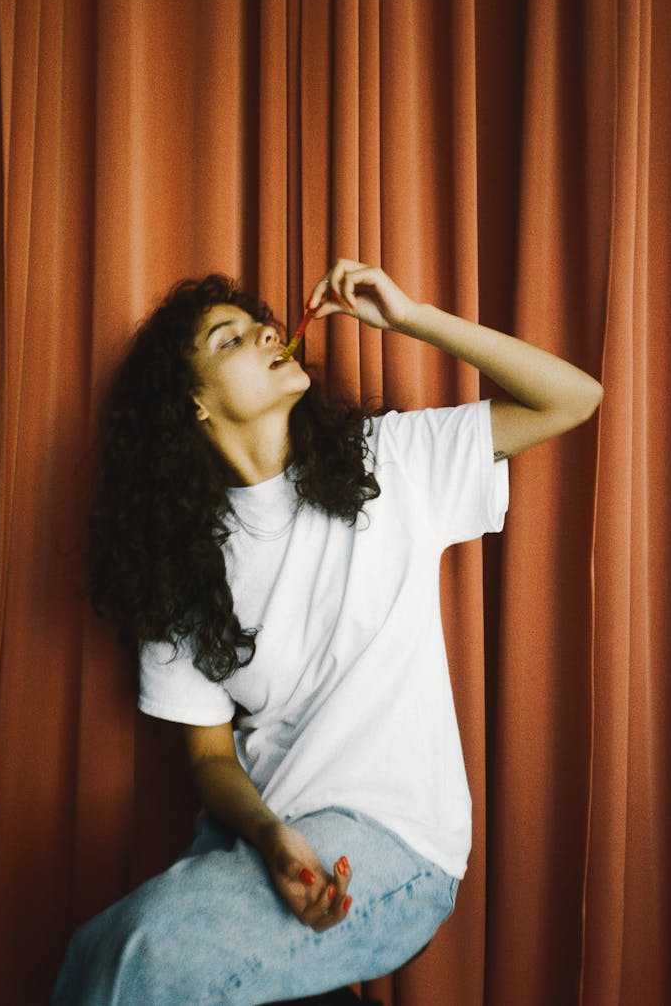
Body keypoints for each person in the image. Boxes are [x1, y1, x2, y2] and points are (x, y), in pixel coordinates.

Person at [52, 259, 602, 1005]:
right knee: (95, 948)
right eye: (231, 339)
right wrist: (271, 836)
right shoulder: (180, 559)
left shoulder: (389, 463)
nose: (267, 331)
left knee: (142, 955)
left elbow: (575, 398)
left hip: (394, 841)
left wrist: (411, 317)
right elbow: (211, 755)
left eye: (262, 323)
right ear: (196, 407)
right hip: (261, 838)